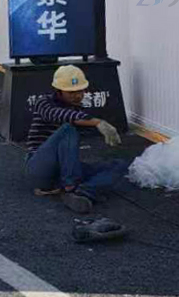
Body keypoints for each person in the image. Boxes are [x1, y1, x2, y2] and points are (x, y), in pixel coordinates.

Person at [26, 65, 129, 214]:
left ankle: (84, 192)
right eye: (71, 92)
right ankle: (71, 186)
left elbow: (79, 123)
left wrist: (107, 131)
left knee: (119, 165)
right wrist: (98, 122)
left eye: (80, 91)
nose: (77, 96)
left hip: (63, 170)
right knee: (68, 128)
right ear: (58, 90)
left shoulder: (78, 110)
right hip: (40, 168)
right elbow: (59, 115)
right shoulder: (44, 102)